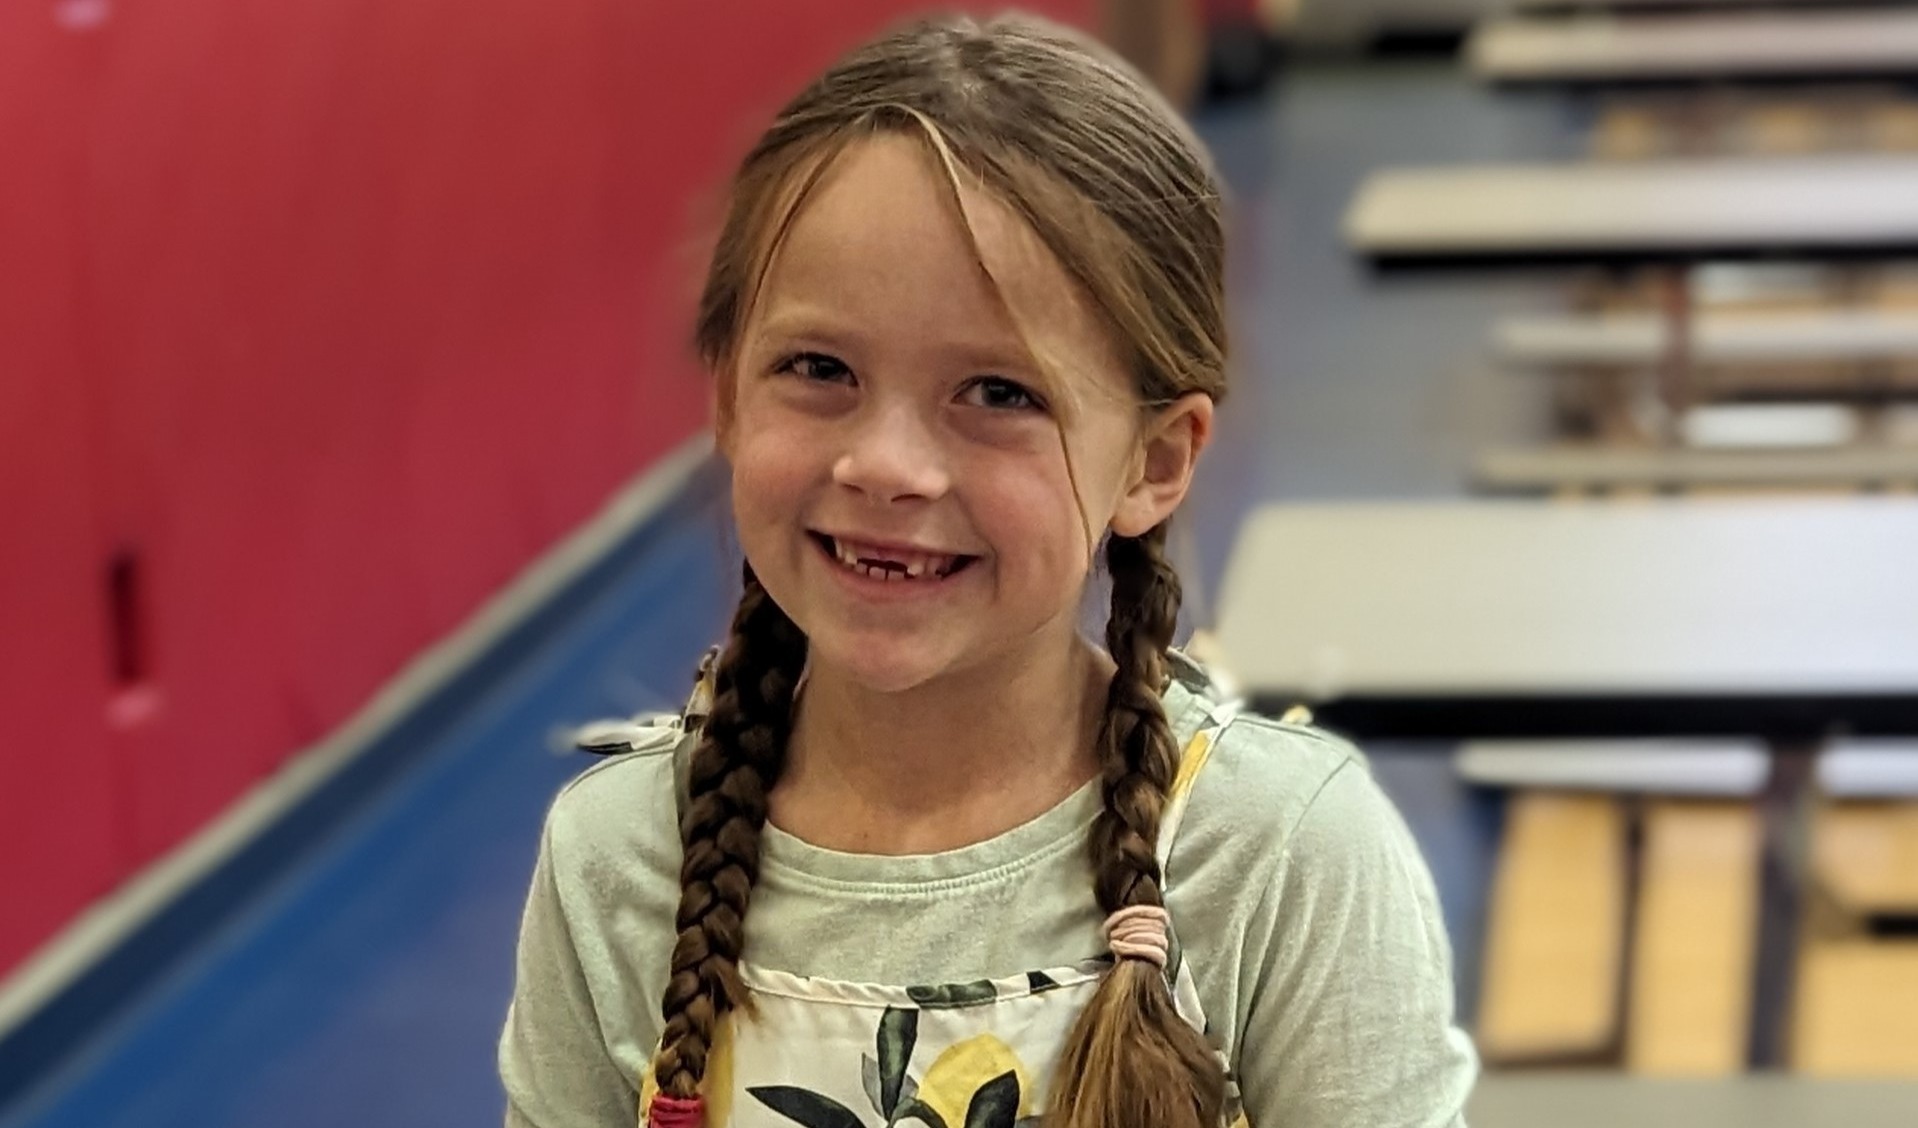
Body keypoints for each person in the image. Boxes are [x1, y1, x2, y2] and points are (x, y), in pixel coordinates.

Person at [499, 13, 1476, 1128]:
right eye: (819, 368)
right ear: (727, 399)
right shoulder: (620, 857)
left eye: (999, 394)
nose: (886, 465)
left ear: (1153, 462)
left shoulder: (1282, 858)